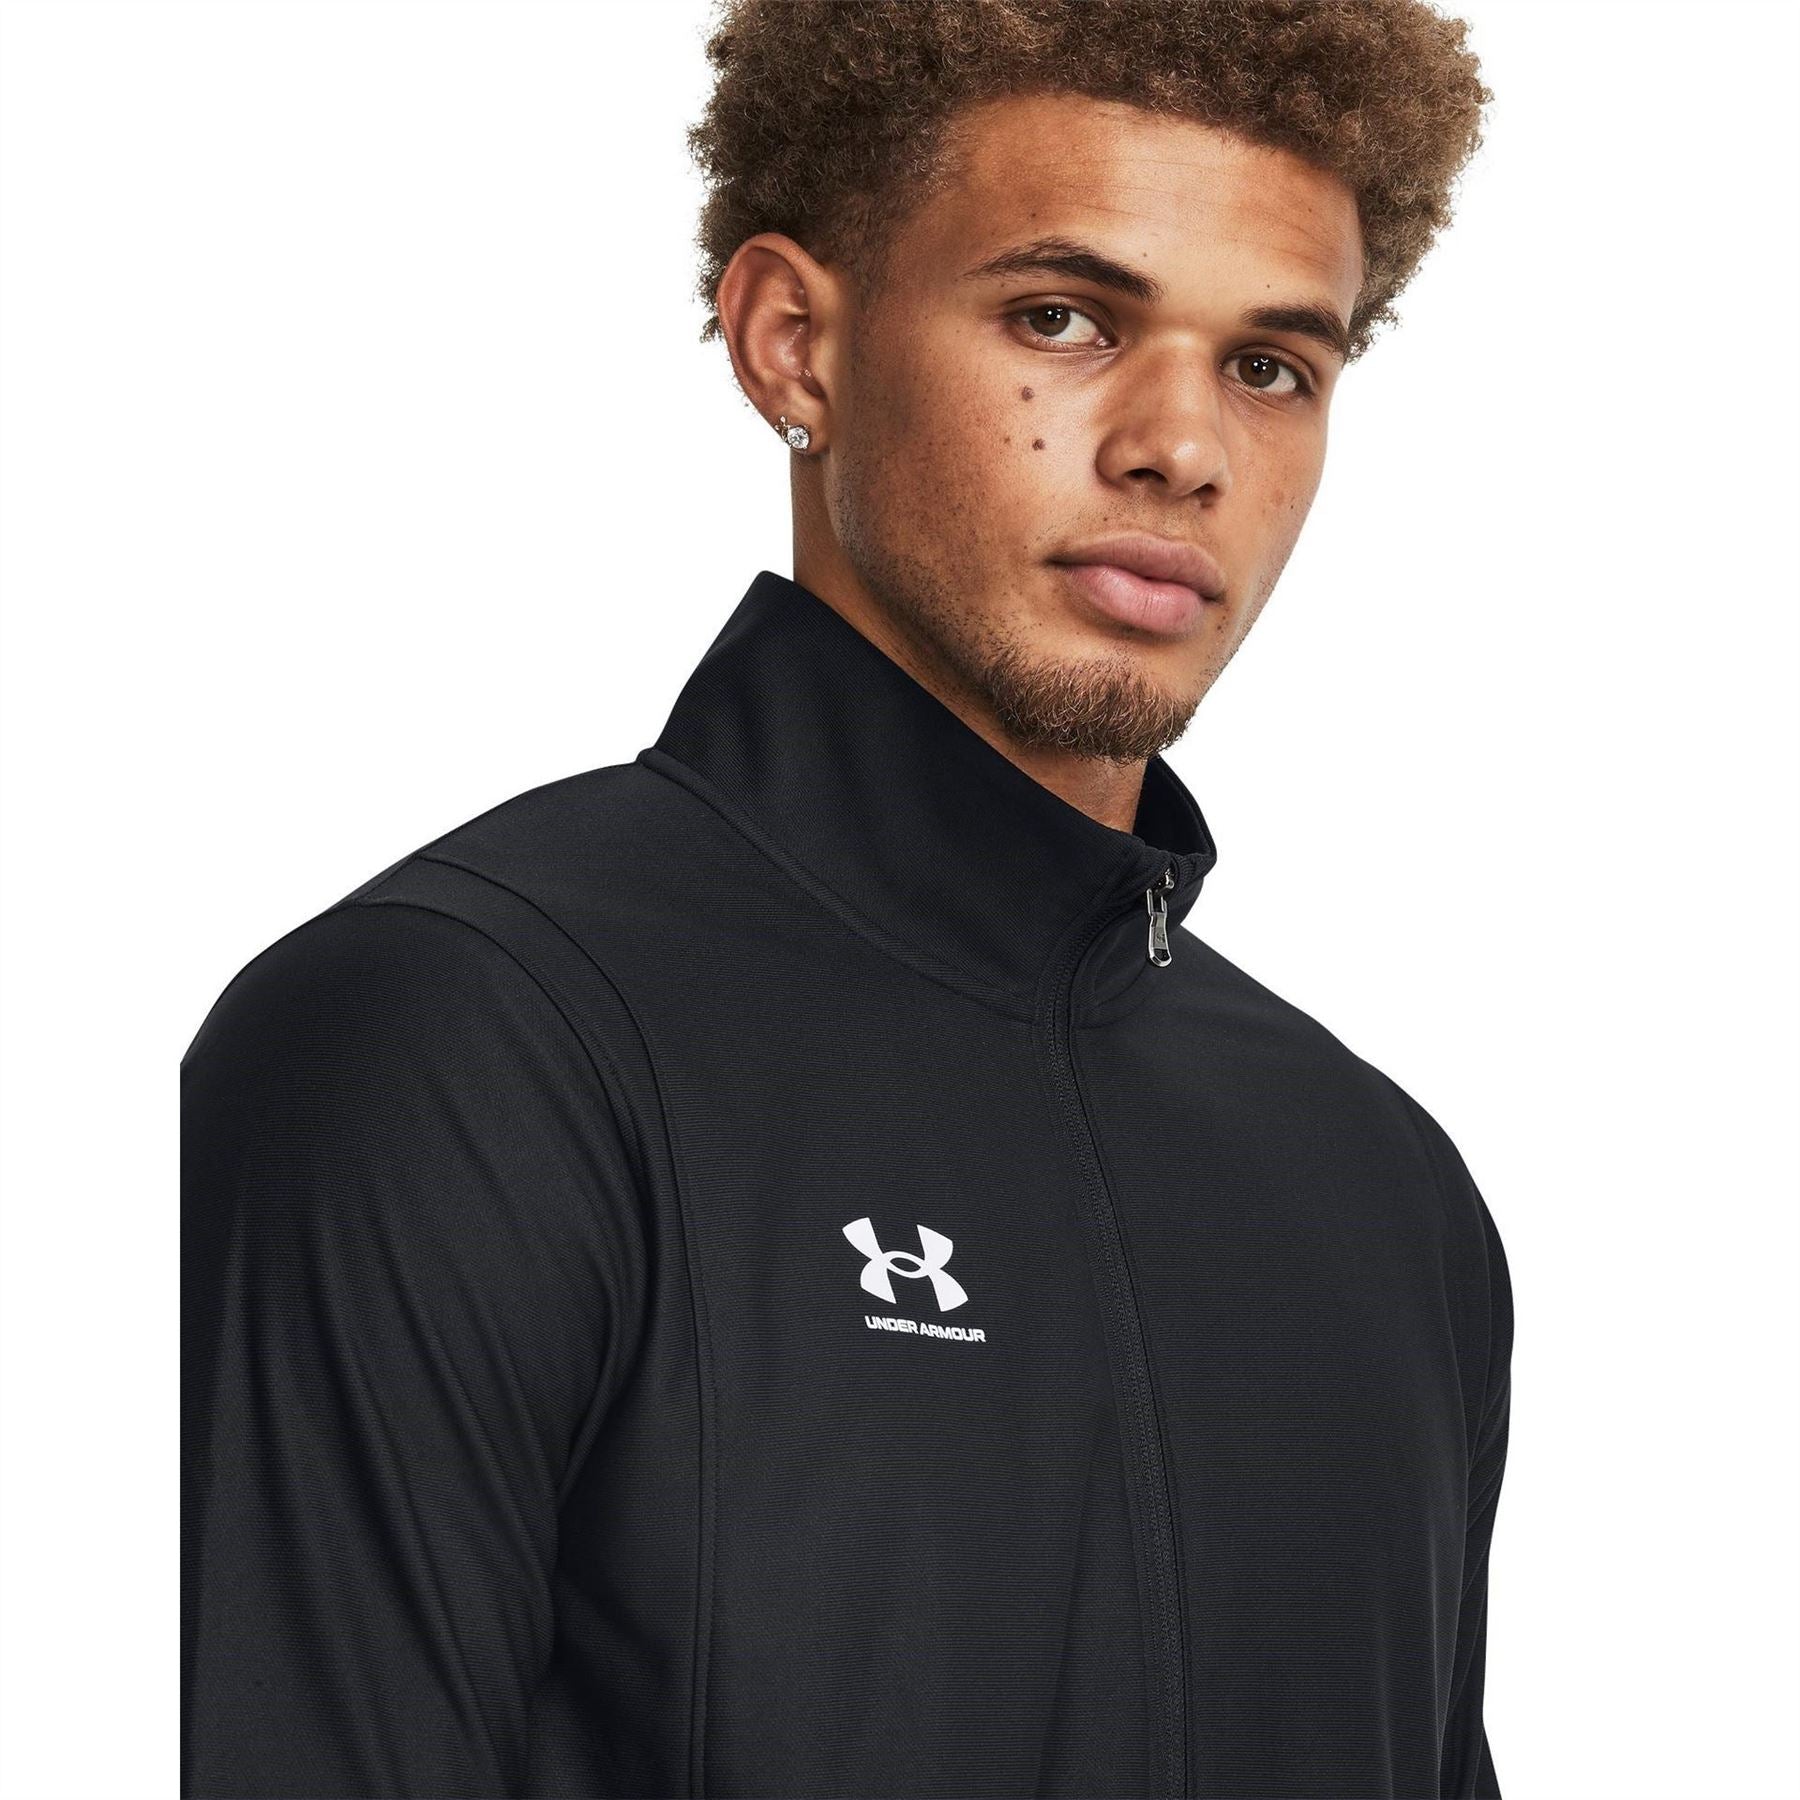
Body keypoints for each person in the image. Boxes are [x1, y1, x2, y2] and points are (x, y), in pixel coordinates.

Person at [182, 2, 1513, 1796]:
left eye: (1271, 365)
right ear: (793, 342)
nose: (1181, 448)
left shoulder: (1383, 1188)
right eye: (1064, 319)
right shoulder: (460, 1042)